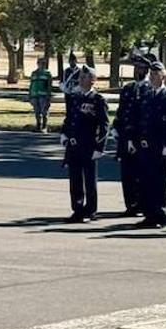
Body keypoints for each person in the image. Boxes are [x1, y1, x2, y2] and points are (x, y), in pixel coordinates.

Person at [132, 60, 166, 229]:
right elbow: (141, 121)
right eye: (151, 74)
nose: (152, 77)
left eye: (156, 74)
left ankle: (160, 214)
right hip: (146, 146)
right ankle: (148, 214)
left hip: (161, 147)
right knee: (146, 180)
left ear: (163, 76)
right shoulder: (146, 96)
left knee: (159, 182)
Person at [60, 64, 109, 222]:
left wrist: (99, 147)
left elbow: (104, 125)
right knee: (75, 179)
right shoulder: (75, 97)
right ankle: (78, 209)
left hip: (88, 145)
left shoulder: (98, 99)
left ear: (93, 80)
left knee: (89, 180)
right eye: (80, 77)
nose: (80, 80)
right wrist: (64, 134)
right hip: (74, 145)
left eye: (84, 77)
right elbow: (69, 118)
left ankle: (91, 210)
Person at [111, 55, 151, 216]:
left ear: (147, 70)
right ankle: (130, 204)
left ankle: (142, 204)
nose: (137, 71)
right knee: (127, 174)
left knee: (141, 174)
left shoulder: (149, 90)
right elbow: (122, 112)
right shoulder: (128, 89)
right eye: (136, 68)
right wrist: (116, 127)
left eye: (141, 68)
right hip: (125, 137)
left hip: (139, 138)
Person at [27, 57, 53, 132]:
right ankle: (38, 125)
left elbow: (49, 86)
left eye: (43, 63)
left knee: (44, 111)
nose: (41, 65)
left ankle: (44, 126)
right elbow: (31, 84)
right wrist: (30, 95)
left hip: (43, 96)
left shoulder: (47, 74)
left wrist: (48, 96)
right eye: (40, 63)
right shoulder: (34, 73)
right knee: (37, 111)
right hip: (35, 95)